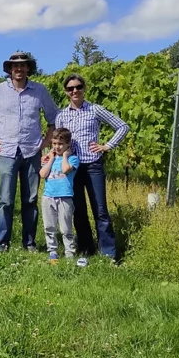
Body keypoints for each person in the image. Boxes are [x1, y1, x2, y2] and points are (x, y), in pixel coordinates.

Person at [0, 52, 59, 252]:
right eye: (15, 66)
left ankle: (29, 243)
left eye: (23, 65)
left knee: (30, 200)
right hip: (7, 151)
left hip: (32, 151)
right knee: (6, 200)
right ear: (10, 69)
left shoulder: (40, 91)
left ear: (28, 68)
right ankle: (2, 242)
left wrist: (46, 141)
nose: (19, 69)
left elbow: (54, 117)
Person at [54, 74, 129, 261]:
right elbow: (58, 142)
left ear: (84, 88)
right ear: (66, 92)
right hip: (72, 168)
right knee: (78, 210)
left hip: (93, 165)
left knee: (100, 210)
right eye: (70, 88)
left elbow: (122, 126)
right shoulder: (61, 115)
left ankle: (109, 253)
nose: (75, 91)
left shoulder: (95, 110)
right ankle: (86, 249)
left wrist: (107, 146)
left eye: (78, 87)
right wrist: (53, 157)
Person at [38, 128, 80, 265]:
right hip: (48, 197)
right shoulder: (49, 159)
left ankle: (69, 252)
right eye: (54, 143)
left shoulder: (73, 159)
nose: (57, 147)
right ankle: (52, 251)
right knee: (49, 226)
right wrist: (50, 159)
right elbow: (42, 174)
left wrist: (65, 156)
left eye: (61, 144)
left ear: (68, 144)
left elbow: (65, 170)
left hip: (65, 197)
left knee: (66, 228)